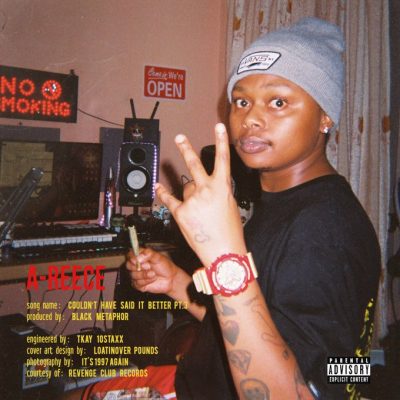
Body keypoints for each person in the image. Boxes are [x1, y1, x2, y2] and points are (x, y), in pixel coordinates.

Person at [62, 17, 380, 400]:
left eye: (278, 102)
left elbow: (314, 387)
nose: (250, 119)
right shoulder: (284, 203)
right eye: (241, 101)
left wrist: (225, 257)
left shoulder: (325, 229)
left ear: (325, 116)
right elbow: (254, 327)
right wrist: (177, 283)